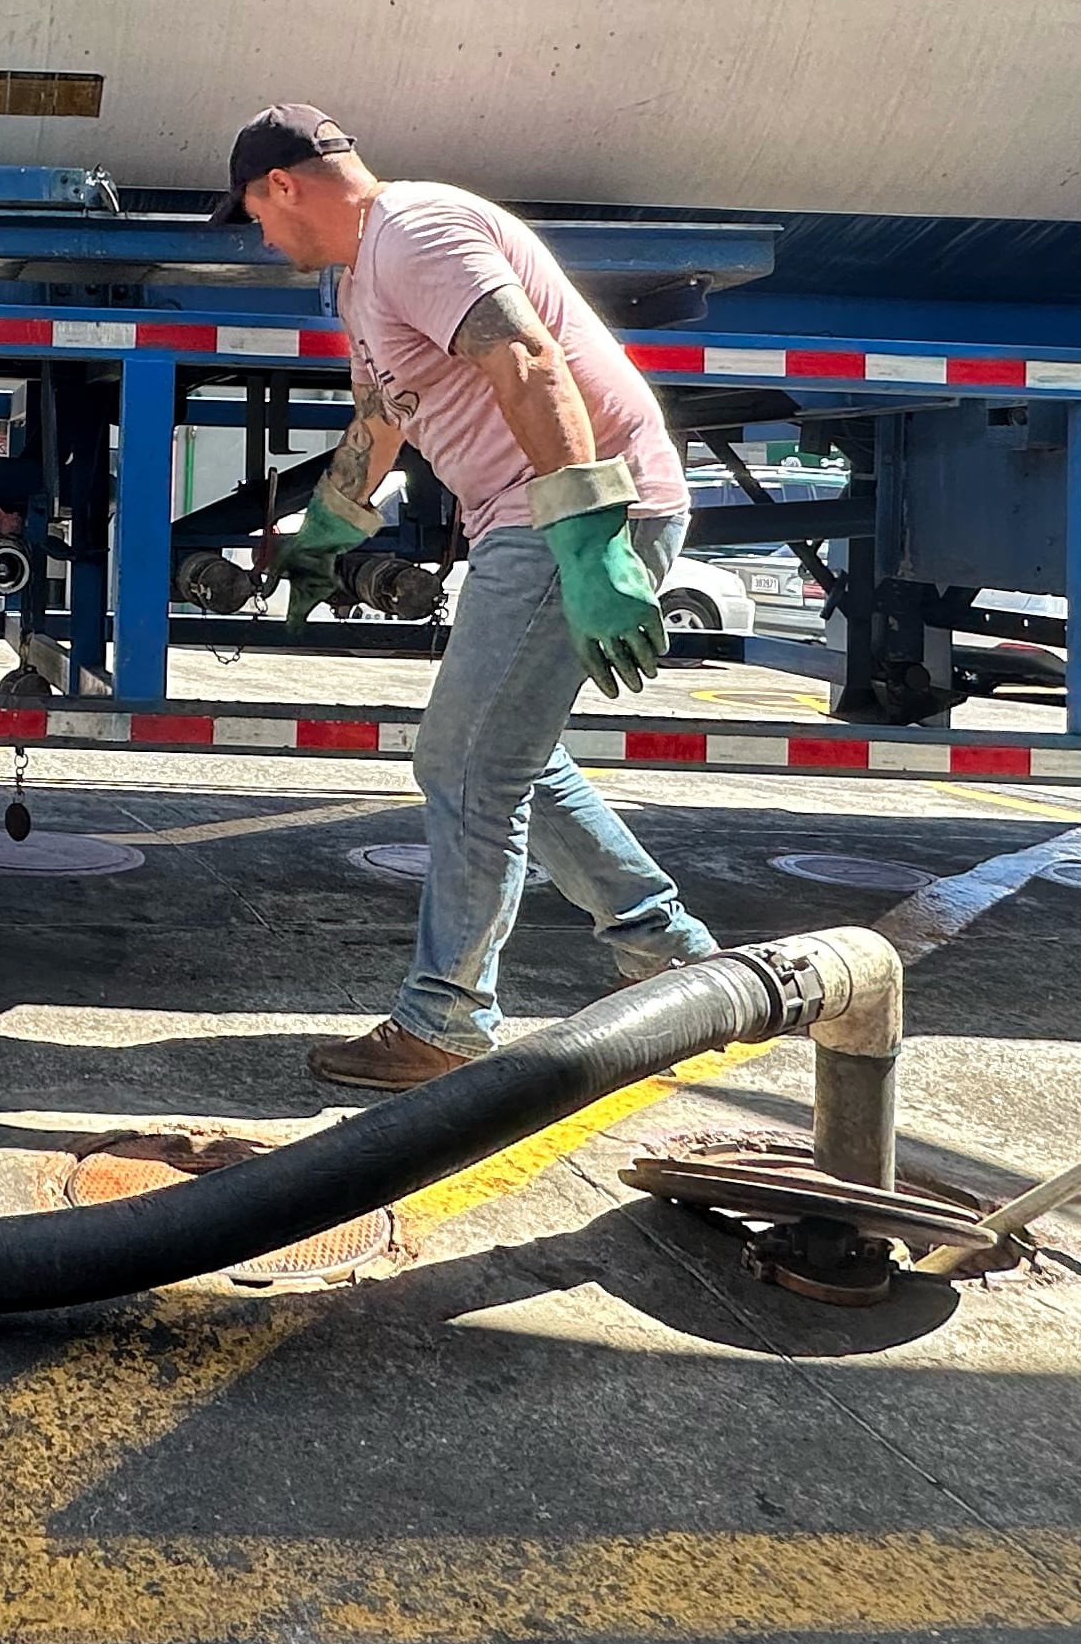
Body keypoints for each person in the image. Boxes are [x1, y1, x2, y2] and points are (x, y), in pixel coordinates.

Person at [213, 104, 720, 1090]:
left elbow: (526, 356)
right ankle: (670, 950)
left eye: (257, 218)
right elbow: (381, 415)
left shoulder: (417, 230)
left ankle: (445, 1021)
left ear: (284, 183)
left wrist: (587, 536)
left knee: (464, 760)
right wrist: (329, 531)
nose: (263, 242)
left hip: (568, 515)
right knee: (509, 756)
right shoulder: (363, 277)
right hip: (530, 519)